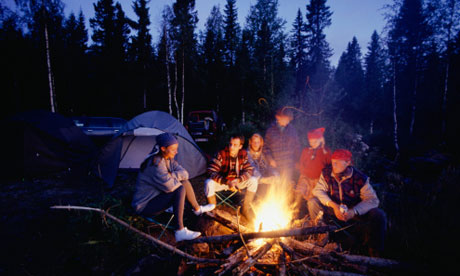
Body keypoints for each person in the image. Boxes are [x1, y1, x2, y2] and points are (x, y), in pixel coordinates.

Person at [132, 133, 215, 242]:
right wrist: (172, 176)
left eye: (176, 149)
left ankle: (197, 209)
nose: (176, 152)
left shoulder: (168, 159)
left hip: (157, 197)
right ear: (163, 148)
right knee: (179, 189)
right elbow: (170, 187)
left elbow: (185, 174)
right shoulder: (155, 164)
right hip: (145, 206)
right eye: (173, 150)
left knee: (184, 182)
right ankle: (179, 231)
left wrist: (171, 175)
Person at [308, 149, 386, 256]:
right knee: (312, 202)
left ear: (348, 163)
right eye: (332, 161)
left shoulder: (359, 178)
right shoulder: (327, 173)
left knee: (378, 214)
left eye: (337, 162)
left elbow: (372, 200)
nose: (333, 165)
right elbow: (318, 190)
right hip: (333, 211)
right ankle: (322, 237)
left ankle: (374, 252)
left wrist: (353, 211)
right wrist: (333, 205)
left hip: (353, 213)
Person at [204, 134, 257, 220]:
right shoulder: (221, 154)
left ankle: (245, 209)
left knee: (253, 180)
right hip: (223, 182)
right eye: (230, 144)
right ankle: (212, 210)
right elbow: (211, 171)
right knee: (208, 183)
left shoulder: (243, 154)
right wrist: (227, 181)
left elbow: (249, 170)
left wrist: (238, 180)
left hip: (237, 182)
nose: (231, 147)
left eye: (235, 145)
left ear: (240, 146)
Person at [263, 107, 301, 183]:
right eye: (286, 119)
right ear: (278, 117)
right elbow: (265, 147)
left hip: (288, 166)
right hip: (275, 165)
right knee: (274, 186)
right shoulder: (271, 130)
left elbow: (297, 146)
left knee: (285, 186)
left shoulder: (292, 130)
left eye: (289, 120)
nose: (287, 122)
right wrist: (270, 159)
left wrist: (297, 161)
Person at [297, 127, 332, 201]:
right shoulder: (306, 151)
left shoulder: (326, 152)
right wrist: (303, 171)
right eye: (310, 142)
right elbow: (301, 163)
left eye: (315, 142)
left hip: (318, 179)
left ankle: (314, 210)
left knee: (314, 199)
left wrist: (325, 176)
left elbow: (330, 166)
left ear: (320, 140)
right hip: (305, 177)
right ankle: (296, 208)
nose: (313, 144)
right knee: (299, 193)